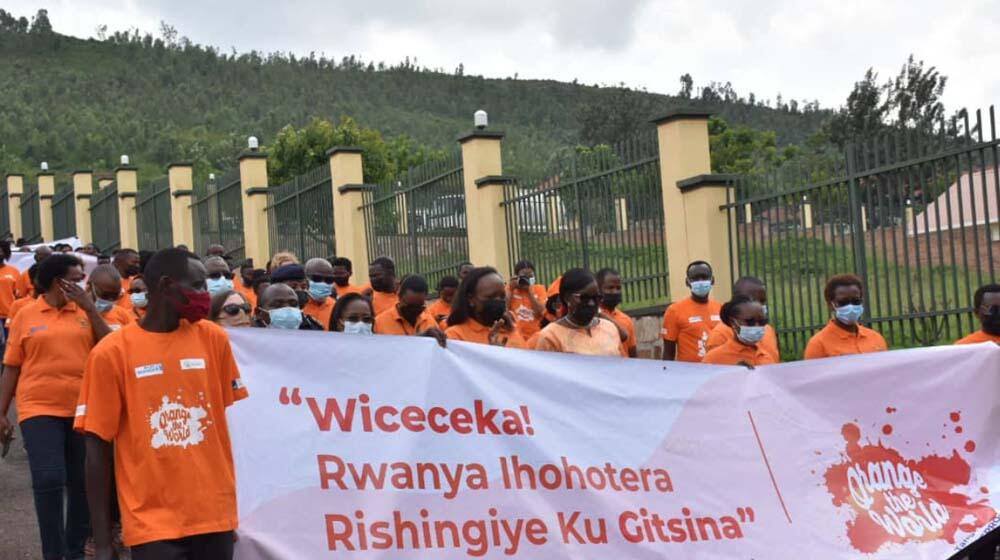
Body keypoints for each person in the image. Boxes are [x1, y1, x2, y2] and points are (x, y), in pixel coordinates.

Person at [74, 248, 248, 560]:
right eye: (196, 286)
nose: (204, 296)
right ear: (167, 285)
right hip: (152, 523)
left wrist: (227, 509)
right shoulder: (111, 353)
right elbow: (96, 450)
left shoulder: (213, 339)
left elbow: (220, 430)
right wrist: (102, 541)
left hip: (214, 515)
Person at [0, 254, 111, 560]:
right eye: (75, 279)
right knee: (49, 478)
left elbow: (112, 347)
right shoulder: (26, 313)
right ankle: (54, 552)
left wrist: (90, 309)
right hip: (38, 407)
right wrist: (1, 411)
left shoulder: (86, 311)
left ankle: (73, 550)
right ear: (55, 281)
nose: (82, 284)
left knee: (81, 483)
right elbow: (11, 366)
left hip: (83, 408)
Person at [535, 268, 625, 357]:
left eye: (596, 298)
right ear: (567, 298)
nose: (591, 303)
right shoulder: (550, 337)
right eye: (584, 298)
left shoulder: (609, 328)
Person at [804, 274, 887, 360]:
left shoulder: (876, 338)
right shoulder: (819, 344)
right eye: (843, 302)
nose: (850, 306)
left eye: (856, 301)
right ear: (831, 305)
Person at [445, 267, 526, 348]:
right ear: (471, 299)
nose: (498, 301)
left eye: (502, 296)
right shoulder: (455, 336)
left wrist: (513, 332)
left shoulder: (510, 328)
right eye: (490, 297)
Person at [706, 276, 780, 362]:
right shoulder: (719, 335)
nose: (759, 305)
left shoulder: (768, 330)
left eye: (762, 301)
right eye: (752, 301)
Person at [661, 260, 722, 362]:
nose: (700, 281)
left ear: (712, 280)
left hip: (717, 370)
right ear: (687, 282)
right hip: (690, 373)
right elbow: (668, 353)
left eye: (704, 277)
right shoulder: (674, 311)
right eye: (695, 278)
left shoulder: (721, 309)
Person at [703, 295, 778, 367]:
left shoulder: (766, 356)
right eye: (750, 322)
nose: (757, 326)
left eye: (762, 322)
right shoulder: (713, 359)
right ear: (733, 322)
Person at [374, 275, 445, 344]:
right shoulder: (379, 323)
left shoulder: (430, 322)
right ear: (399, 296)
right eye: (410, 307)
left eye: (419, 307)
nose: (413, 311)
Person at [596, 267, 638, 358]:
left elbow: (633, 355)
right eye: (610, 288)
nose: (615, 292)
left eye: (618, 288)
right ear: (598, 289)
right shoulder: (593, 318)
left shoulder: (626, 320)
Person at [253, 283, 322, 330]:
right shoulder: (247, 342)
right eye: (278, 305)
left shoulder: (314, 333)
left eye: (293, 304)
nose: (287, 309)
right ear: (259, 313)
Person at [87, 264, 137, 330]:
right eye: (105, 295)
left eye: (115, 296)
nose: (110, 300)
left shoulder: (123, 314)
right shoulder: (74, 312)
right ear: (90, 287)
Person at [507, 259, 547, 340]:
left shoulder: (539, 289)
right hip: (516, 337)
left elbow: (542, 311)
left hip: (535, 336)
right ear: (516, 277)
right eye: (524, 276)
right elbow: (504, 308)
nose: (527, 279)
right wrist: (511, 290)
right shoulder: (510, 289)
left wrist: (530, 292)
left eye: (531, 276)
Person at [303, 258, 336, 330]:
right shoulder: (298, 306)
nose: (323, 283)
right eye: (317, 278)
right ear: (305, 279)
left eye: (328, 280)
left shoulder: (336, 307)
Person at [0, 240, 19, 336]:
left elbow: (18, 295)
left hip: (9, 314)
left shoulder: (13, 271)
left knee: (8, 343)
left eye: (1, 251)